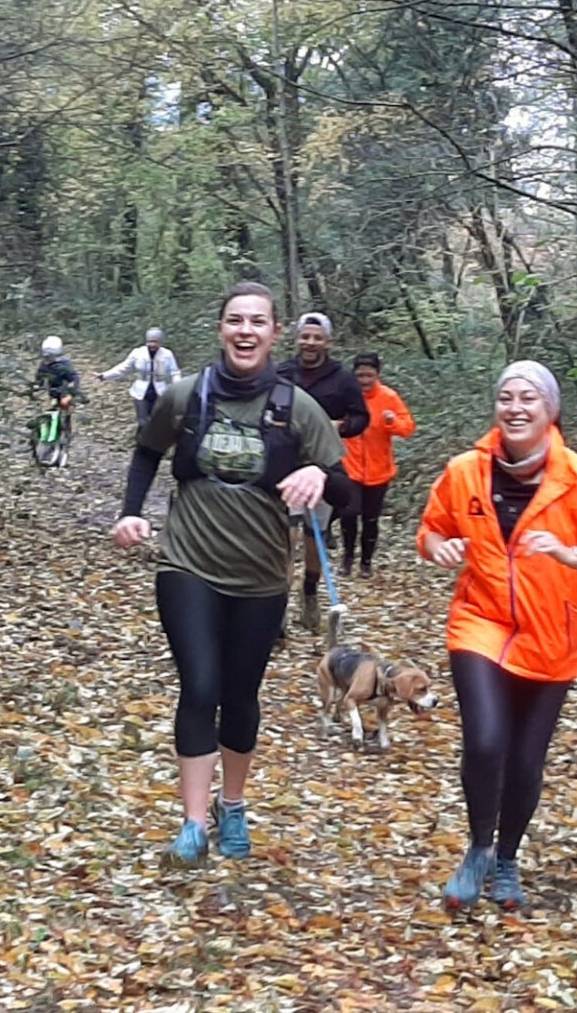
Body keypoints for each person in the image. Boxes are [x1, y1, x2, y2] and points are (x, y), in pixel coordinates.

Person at [112, 282, 355, 866]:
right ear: (221, 329)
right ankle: (194, 822)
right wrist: (129, 511)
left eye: (258, 322)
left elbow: (346, 488)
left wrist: (320, 480)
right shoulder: (186, 395)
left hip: (261, 576)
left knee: (241, 693)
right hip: (187, 564)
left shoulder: (297, 408)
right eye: (235, 320)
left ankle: (234, 803)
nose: (246, 331)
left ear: (275, 333)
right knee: (200, 686)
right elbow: (148, 451)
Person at [416, 360, 577, 910]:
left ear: (551, 411)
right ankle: (476, 849)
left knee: (523, 761)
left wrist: (575, 557)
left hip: (551, 638)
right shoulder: (466, 470)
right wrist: (438, 547)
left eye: (529, 399)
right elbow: (432, 529)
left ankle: (507, 860)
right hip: (481, 621)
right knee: (486, 740)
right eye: (505, 398)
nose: (515, 408)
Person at [276, 313, 369, 632]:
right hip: (286, 464)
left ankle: (310, 593)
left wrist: (341, 426)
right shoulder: (282, 373)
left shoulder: (343, 378)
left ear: (328, 342)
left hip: (325, 467)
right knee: (284, 538)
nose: (310, 343)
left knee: (314, 537)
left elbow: (362, 418)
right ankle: (277, 608)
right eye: (305, 337)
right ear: (297, 339)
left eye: (317, 338)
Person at [340, 353, 415, 578]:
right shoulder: (346, 395)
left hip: (379, 470)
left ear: (377, 375)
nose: (364, 380)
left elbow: (408, 427)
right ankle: (347, 558)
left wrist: (392, 422)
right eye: (360, 375)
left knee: (371, 519)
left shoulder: (388, 397)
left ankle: (365, 562)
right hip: (349, 466)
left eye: (369, 375)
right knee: (350, 513)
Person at [99, 327, 182, 430]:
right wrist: (104, 376)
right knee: (143, 421)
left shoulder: (167, 354)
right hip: (141, 391)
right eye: (150, 341)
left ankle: (155, 443)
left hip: (160, 391)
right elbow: (124, 368)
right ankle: (141, 442)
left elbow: (174, 372)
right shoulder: (138, 353)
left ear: (160, 342)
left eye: (155, 342)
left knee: (158, 420)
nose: (152, 345)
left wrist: (178, 387)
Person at [32, 336, 81, 442]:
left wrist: (70, 392)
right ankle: (47, 431)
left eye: (51, 356)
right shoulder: (44, 365)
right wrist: (37, 386)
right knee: (49, 408)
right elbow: (39, 377)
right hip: (52, 391)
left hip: (65, 391)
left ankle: (67, 428)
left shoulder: (65, 364)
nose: (48, 359)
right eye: (46, 356)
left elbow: (74, 378)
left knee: (66, 406)